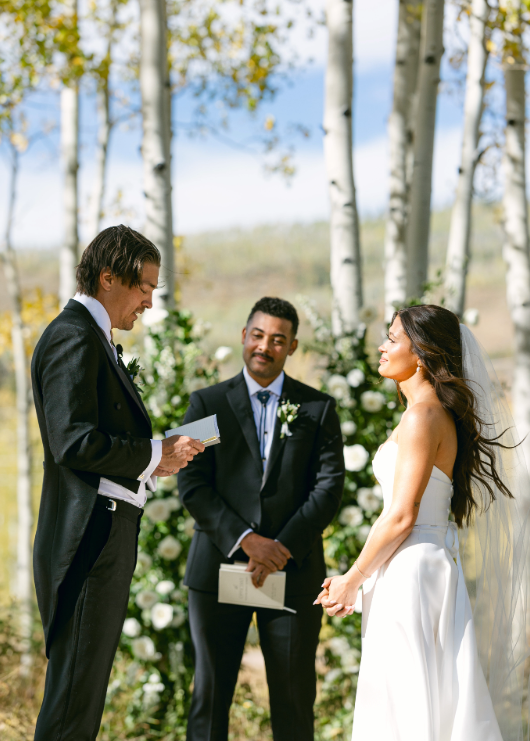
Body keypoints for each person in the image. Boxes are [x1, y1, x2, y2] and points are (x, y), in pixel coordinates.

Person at [315, 304, 530, 741]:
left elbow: (400, 514)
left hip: (412, 570)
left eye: (392, 339)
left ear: (423, 353)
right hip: (416, 565)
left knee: (407, 700)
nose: (381, 347)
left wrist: (353, 579)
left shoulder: (422, 416)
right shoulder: (424, 413)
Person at [32, 225, 205, 741]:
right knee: (71, 704)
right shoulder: (72, 335)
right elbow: (73, 441)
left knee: (82, 698)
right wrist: (154, 453)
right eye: (144, 287)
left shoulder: (93, 339)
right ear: (109, 278)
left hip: (105, 534)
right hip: (89, 541)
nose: (149, 302)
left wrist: (159, 460)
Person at [178, 296, 345, 741]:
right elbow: (190, 484)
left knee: (293, 700)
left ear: (292, 347)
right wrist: (249, 541)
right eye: (257, 335)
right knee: (209, 699)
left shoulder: (318, 408)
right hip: (217, 571)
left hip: (294, 572)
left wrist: (280, 548)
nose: (264, 347)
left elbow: (328, 488)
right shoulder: (205, 405)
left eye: (277, 340)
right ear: (243, 336)